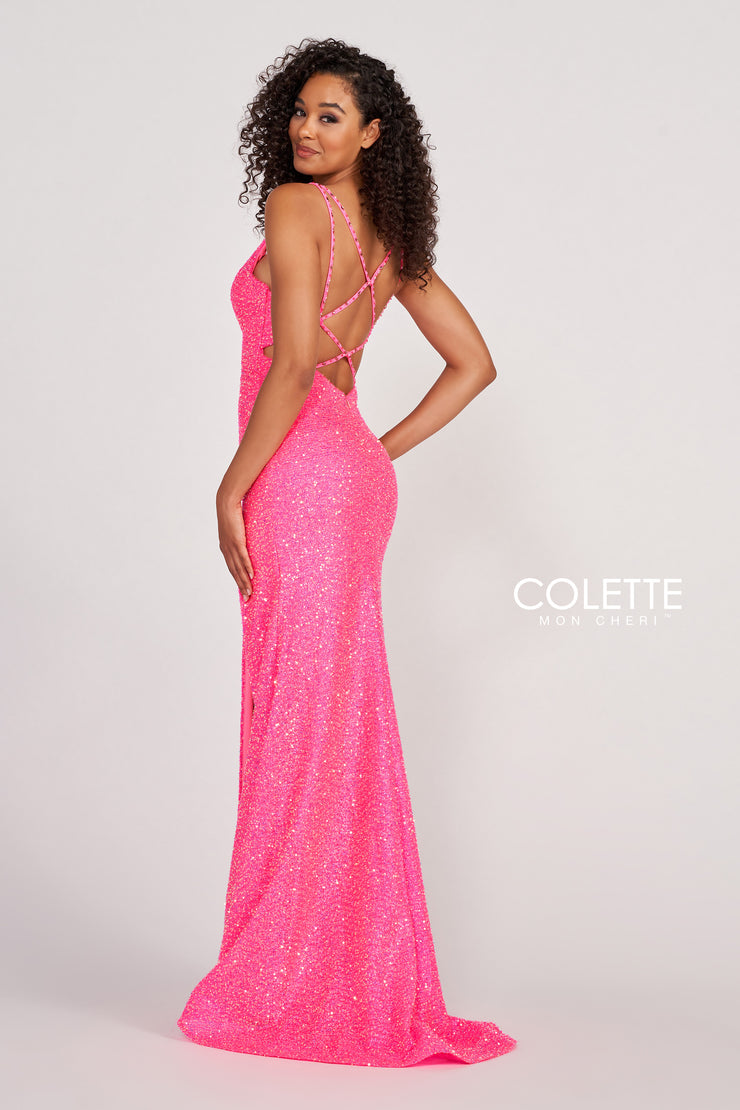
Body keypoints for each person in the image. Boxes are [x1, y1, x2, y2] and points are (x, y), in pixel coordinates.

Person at [177, 37, 517, 1069]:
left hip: (296, 473)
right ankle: (324, 967)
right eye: (298, 110)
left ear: (372, 133)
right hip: (349, 478)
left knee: (297, 711)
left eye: (330, 115)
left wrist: (231, 484)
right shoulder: (389, 240)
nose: (305, 129)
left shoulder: (293, 207)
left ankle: (286, 978)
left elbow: (289, 366)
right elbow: (474, 364)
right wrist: (374, 449)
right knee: (333, 712)